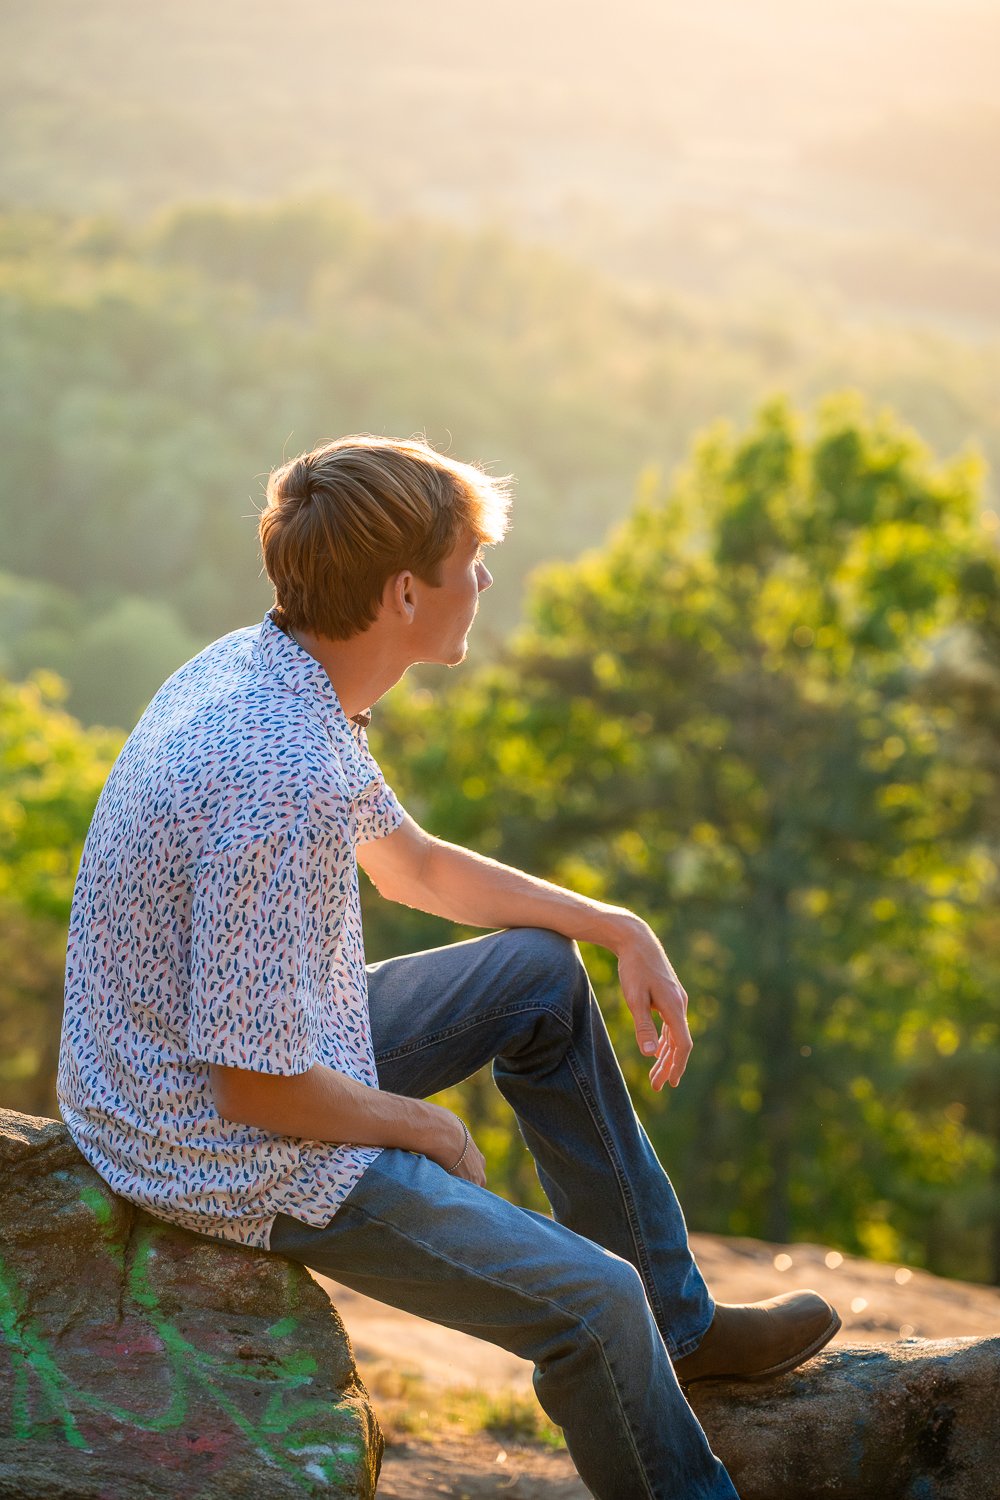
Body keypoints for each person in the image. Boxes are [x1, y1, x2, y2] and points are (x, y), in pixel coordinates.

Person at [58, 435, 840, 1500]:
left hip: (247, 1057)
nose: (482, 577)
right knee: (590, 1307)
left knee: (537, 975)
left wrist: (615, 926)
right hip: (216, 1142)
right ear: (404, 594)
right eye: (469, 558)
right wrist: (418, 1124)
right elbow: (257, 1089)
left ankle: (680, 1332)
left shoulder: (273, 672)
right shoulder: (274, 778)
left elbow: (412, 866)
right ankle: (651, 1368)